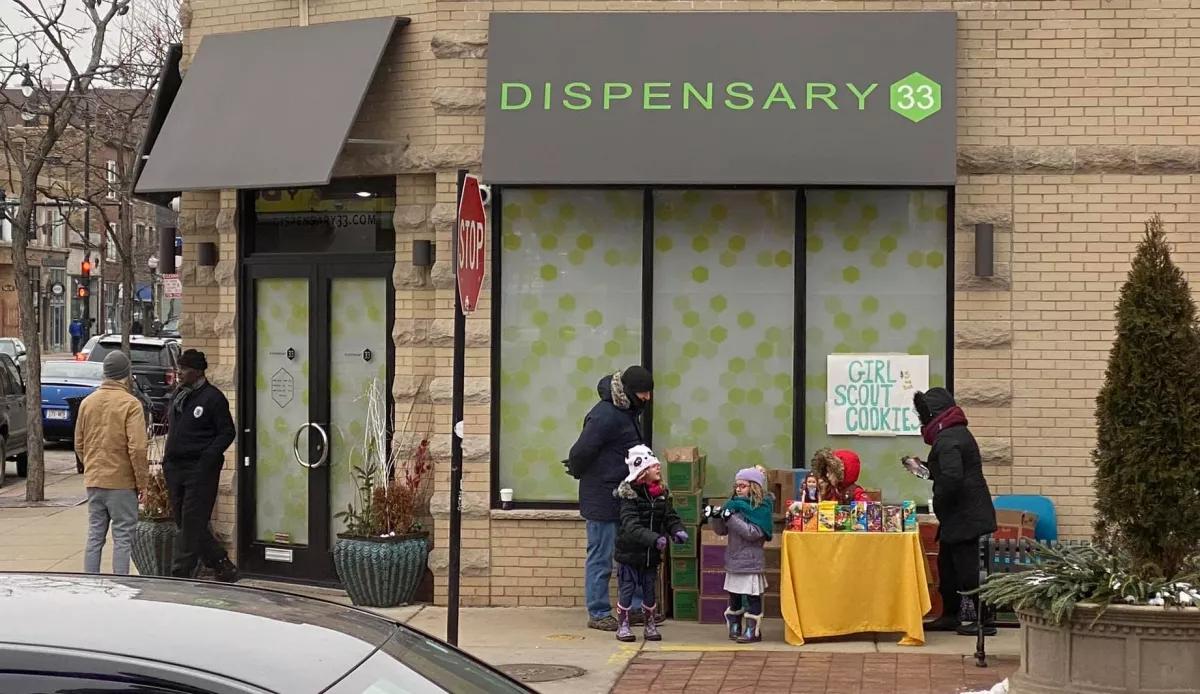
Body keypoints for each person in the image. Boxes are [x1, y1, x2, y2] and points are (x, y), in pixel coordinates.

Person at [567, 365, 655, 631]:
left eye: (649, 393)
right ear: (628, 391)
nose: (647, 398)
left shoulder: (627, 411)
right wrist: (579, 471)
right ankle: (599, 612)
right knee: (601, 555)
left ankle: (636, 608)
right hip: (603, 496)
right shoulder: (606, 414)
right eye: (643, 392)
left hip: (625, 494)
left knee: (631, 554)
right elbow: (581, 451)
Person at [913, 387, 997, 635]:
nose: (921, 421)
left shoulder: (949, 438)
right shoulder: (953, 434)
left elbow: (951, 477)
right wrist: (923, 469)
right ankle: (950, 615)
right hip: (960, 516)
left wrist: (938, 498)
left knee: (967, 571)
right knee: (947, 569)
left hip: (965, 516)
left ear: (933, 414)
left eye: (923, 415)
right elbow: (948, 472)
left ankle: (985, 621)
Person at [164, 349, 239, 582]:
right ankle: (221, 563)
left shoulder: (212, 398)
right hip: (175, 469)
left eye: (184, 369)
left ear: (197, 372)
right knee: (184, 521)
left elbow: (227, 432)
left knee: (192, 520)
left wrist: (207, 457)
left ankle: (180, 573)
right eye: (179, 368)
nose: (179, 373)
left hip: (200, 470)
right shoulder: (180, 395)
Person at [75, 352, 148, 574]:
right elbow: (137, 447)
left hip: (95, 480)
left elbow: (79, 442)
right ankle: (120, 586)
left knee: (95, 536)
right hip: (122, 483)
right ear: (126, 374)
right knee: (123, 538)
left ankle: (91, 584)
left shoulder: (87, 403)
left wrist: (91, 467)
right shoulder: (130, 404)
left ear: (105, 373)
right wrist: (142, 483)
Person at [613, 445, 686, 642]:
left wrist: (677, 529)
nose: (659, 468)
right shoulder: (630, 496)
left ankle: (650, 624)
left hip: (651, 554)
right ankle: (623, 625)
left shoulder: (661, 494)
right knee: (627, 588)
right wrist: (654, 538)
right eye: (654, 466)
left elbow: (669, 516)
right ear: (643, 472)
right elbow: (631, 526)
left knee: (649, 589)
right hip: (629, 553)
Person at [707, 466, 774, 643]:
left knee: (752, 597)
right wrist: (717, 517)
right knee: (734, 596)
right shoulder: (733, 505)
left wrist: (730, 518)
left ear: (754, 487)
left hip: (751, 562)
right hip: (734, 559)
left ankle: (753, 630)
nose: (738, 489)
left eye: (743, 486)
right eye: (737, 485)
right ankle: (735, 626)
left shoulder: (760, 508)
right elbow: (722, 531)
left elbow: (753, 533)